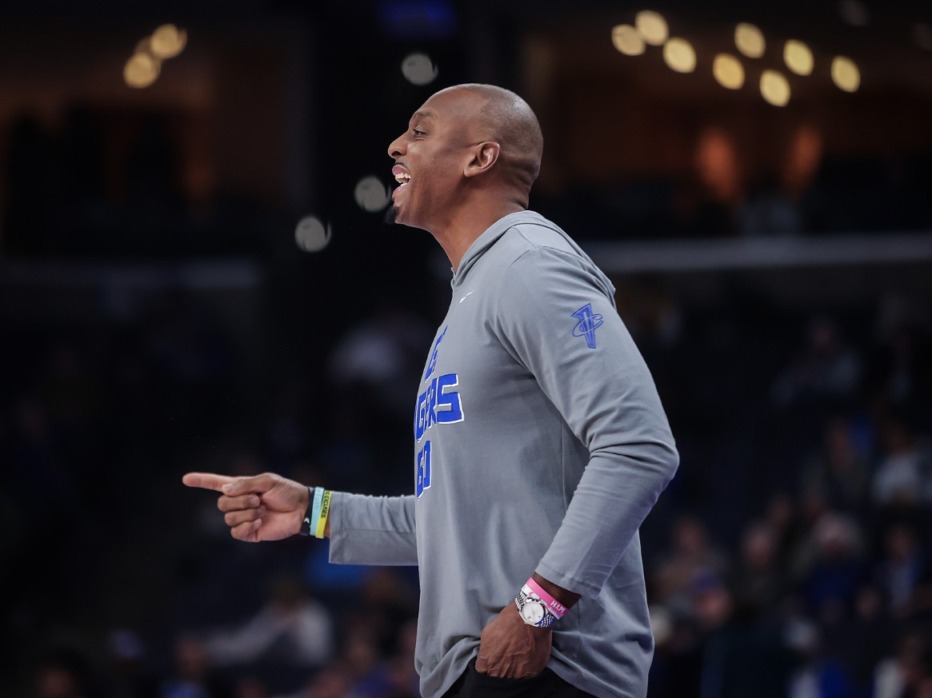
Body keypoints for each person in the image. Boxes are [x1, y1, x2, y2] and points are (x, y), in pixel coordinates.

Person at [184, 83, 679, 698]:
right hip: (495, 665)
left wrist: (537, 608)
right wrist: (314, 511)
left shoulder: (530, 265)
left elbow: (640, 447)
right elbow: (461, 521)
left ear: (480, 158)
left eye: (419, 131)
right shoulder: (474, 292)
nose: (395, 145)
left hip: (546, 666)